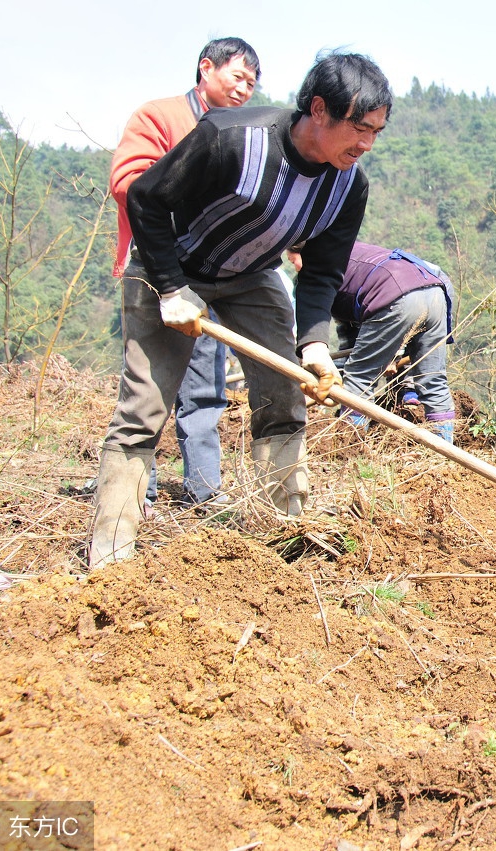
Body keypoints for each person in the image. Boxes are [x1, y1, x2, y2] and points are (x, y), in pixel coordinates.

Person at [89, 51, 392, 570]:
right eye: (358, 128)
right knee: (143, 413)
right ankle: (111, 560)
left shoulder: (349, 186)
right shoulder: (231, 137)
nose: (365, 144)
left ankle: (289, 539)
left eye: (376, 133)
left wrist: (314, 341)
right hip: (170, 265)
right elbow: (143, 198)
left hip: (252, 276)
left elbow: (321, 271)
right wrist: (170, 288)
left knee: (282, 401)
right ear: (318, 109)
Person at [109, 37, 261, 510]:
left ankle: (204, 490)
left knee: (204, 386)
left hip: (210, 273)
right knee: (150, 389)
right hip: (158, 269)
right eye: (237, 77)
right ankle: (138, 496)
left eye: (252, 84)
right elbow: (128, 183)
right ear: (206, 68)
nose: (244, 90)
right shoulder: (161, 116)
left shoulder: (242, 132)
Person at [327, 242, 457, 443]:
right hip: (437, 294)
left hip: (398, 298)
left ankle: (348, 448)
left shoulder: (324, 273)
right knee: (433, 379)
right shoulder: (350, 253)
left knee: (359, 377)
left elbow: (357, 350)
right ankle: (445, 453)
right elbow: (352, 339)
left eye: (294, 259)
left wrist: (393, 355)